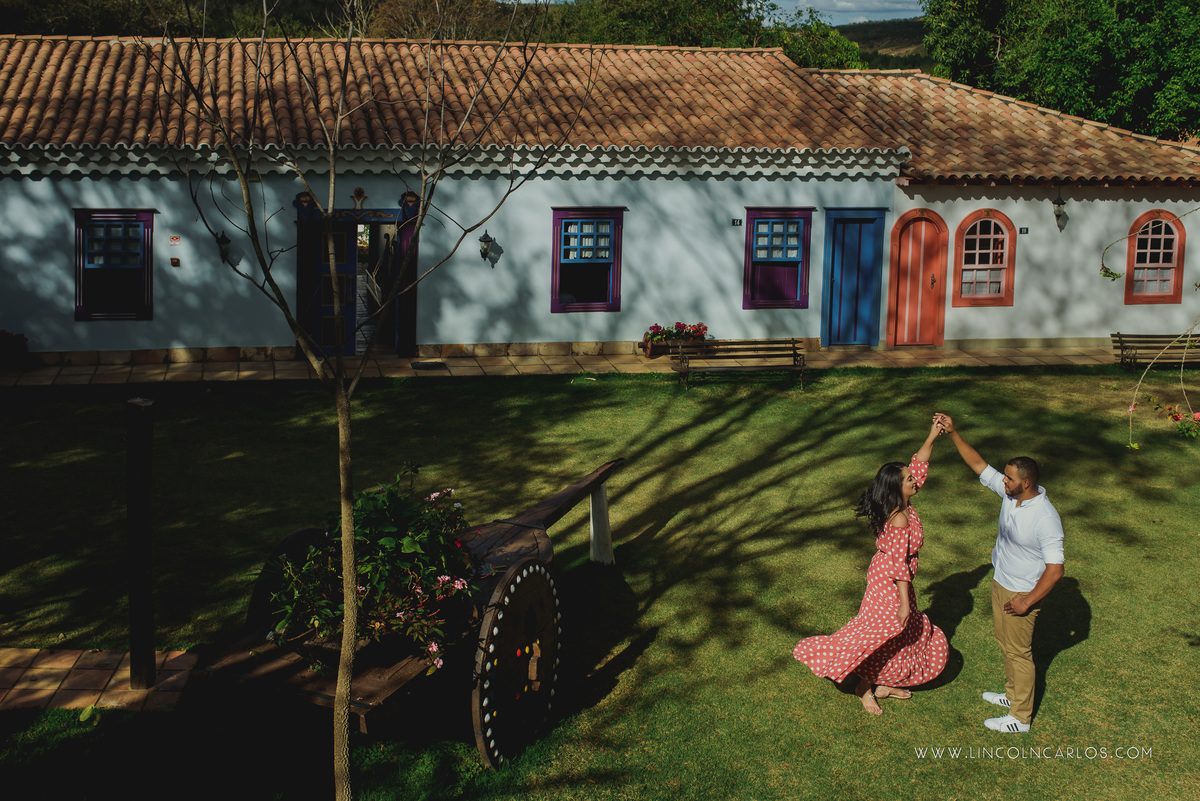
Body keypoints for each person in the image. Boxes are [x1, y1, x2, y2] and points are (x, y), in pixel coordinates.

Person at [793, 420, 949, 715]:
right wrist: (904, 603)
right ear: (896, 487)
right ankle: (864, 687)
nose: (914, 480)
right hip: (890, 582)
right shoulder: (900, 517)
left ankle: (881, 682)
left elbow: (919, 466)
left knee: (900, 634)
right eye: (908, 479)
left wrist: (932, 435)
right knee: (884, 633)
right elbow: (899, 565)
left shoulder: (901, 501)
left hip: (889, 575)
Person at [934, 413, 1064, 734]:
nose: (1002, 482)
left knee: (1019, 652)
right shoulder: (1012, 497)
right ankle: (1013, 695)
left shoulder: (1045, 518)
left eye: (1008, 479)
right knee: (1006, 645)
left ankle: (1020, 719)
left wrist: (1026, 602)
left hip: (1021, 593)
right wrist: (953, 433)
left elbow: (1056, 570)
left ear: (1026, 483)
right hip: (1001, 582)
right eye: (1004, 478)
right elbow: (978, 464)